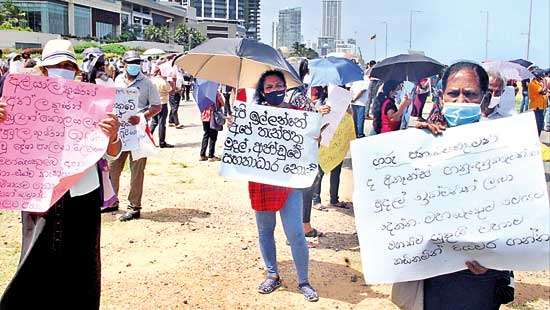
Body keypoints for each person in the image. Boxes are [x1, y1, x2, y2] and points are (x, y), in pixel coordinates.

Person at [0, 39, 121, 309]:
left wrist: (112, 135)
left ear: (77, 70)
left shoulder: (94, 102)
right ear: (44, 70)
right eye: (56, 65)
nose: (62, 70)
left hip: (83, 192)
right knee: (35, 257)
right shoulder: (21, 100)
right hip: (38, 192)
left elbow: (113, 152)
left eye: (68, 65)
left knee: (83, 262)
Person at [410, 61, 515, 309]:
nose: (461, 101)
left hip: (481, 272)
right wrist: (416, 146)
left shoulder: (504, 143)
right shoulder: (426, 139)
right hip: (434, 268)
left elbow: (515, 206)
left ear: (485, 97)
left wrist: (495, 259)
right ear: (441, 95)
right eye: (453, 94)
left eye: (470, 94)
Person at [246, 70, 319, 302]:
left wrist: (315, 134)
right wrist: (235, 126)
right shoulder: (253, 115)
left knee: (296, 233)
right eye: (269, 87)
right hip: (262, 183)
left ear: (285, 88)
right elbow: (243, 144)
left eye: (279, 85)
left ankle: (304, 281)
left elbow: (310, 143)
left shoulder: (298, 114)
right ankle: (272, 274)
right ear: (262, 92)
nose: (274, 90)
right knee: (265, 232)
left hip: (289, 184)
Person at [110, 50, 161, 221]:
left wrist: (141, 117)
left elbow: (156, 106)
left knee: (137, 170)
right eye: (130, 62)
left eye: (136, 62)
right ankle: (111, 201)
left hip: (137, 132)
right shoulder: (117, 80)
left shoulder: (147, 83)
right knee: (113, 167)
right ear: (123, 63)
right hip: (119, 131)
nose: (134, 66)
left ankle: (134, 207)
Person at [150, 67, 174, 148]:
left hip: (153, 104)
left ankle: (148, 139)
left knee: (154, 122)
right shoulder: (163, 82)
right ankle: (162, 142)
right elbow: (170, 90)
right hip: (162, 104)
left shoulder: (151, 81)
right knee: (162, 123)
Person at [199, 90, 224, 161]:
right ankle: (211, 155)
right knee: (213, 136)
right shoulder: (216, 93)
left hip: (204, 116)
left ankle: (202, 155)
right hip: (213, 116)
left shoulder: (202, 93)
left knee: (206, 135)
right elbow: (222, 103)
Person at [528, 70, 548, 136]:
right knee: (537, 126)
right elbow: (542, 91)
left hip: (541, 107)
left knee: (539, 125)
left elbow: (544, 92)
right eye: (541, 77)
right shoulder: (533, 84)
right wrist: (545, 82)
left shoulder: (538, 83)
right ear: (538, 77)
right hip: (536, 108)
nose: (542, 78)